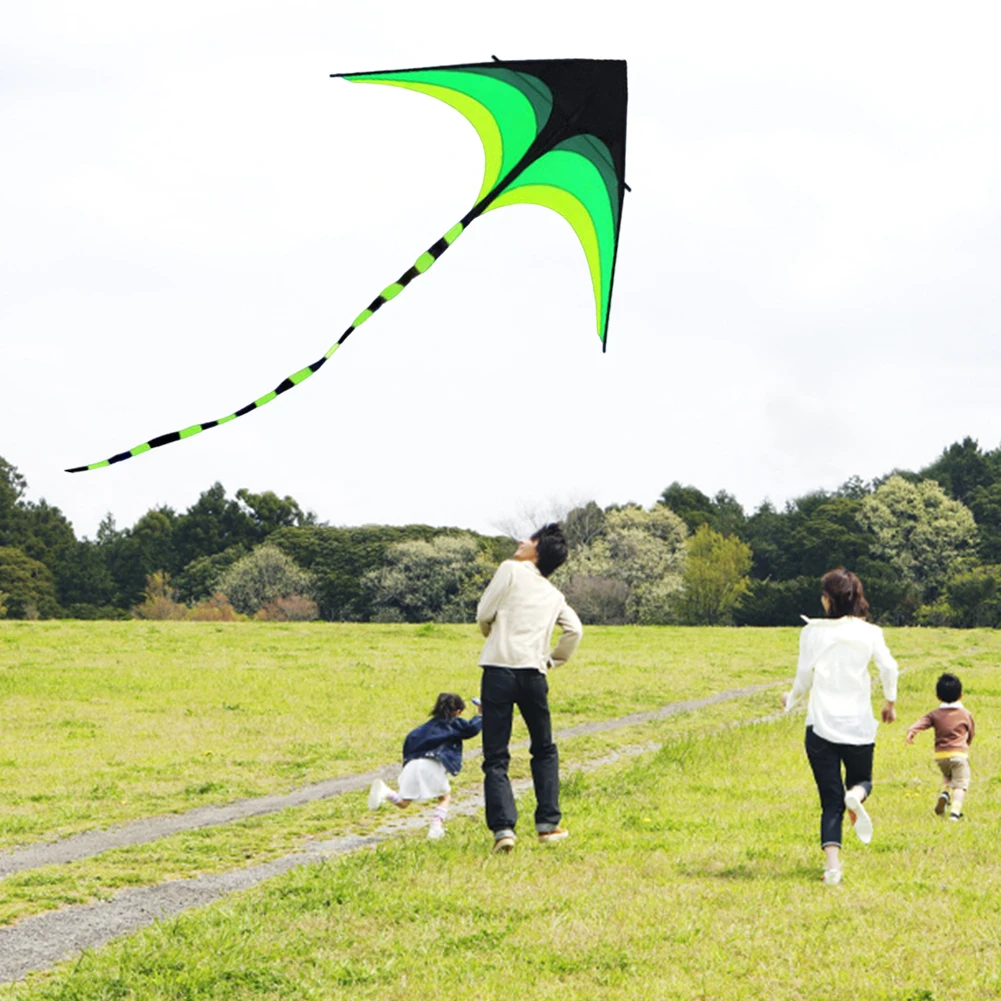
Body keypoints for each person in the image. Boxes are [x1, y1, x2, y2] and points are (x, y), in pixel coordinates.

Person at [782, 568, 898, 886]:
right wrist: (890, 701)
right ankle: (857, 795)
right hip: (858, 724)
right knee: (862, 781)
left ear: (828, 599)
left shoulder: (812, 632)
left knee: (829, 802)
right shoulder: (870, 632)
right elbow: (889, 666)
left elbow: (804, 677)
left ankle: (833, 870)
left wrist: (789, 700)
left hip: (820, 725)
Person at [477, 523, 583, 853]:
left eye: (529, 538)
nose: (521, 541)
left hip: (499, 669)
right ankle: (547, 825)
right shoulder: (554, 594)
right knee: (544, 748)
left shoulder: (510, 570)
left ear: (536, 549)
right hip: (534, 674)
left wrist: (491, 634)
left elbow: (484, 612)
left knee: (496, 753)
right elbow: (575, 631)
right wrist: (552, 660)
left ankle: (504, 829)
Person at [368, 692, 482, 840]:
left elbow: (408, 744)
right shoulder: (452, 723)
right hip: (431, 763)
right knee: (444, 796)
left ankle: (386, 792)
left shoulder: (421, 729)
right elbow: (471, 729)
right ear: (457, 712)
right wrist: (480, 715)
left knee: (403, 803)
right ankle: (435, 830)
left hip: (411, 764)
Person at [906, 672, 975, 821]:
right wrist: (966, 744)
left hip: (941, 756)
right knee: (960, 785)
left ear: (938, 696)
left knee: (947, 777)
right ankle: (955, 813)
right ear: (961, 695)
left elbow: (921, 722)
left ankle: (944, 793)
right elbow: (971, 732)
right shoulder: (965, 714)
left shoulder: (934, 714)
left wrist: (912, 731)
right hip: (959, 754)